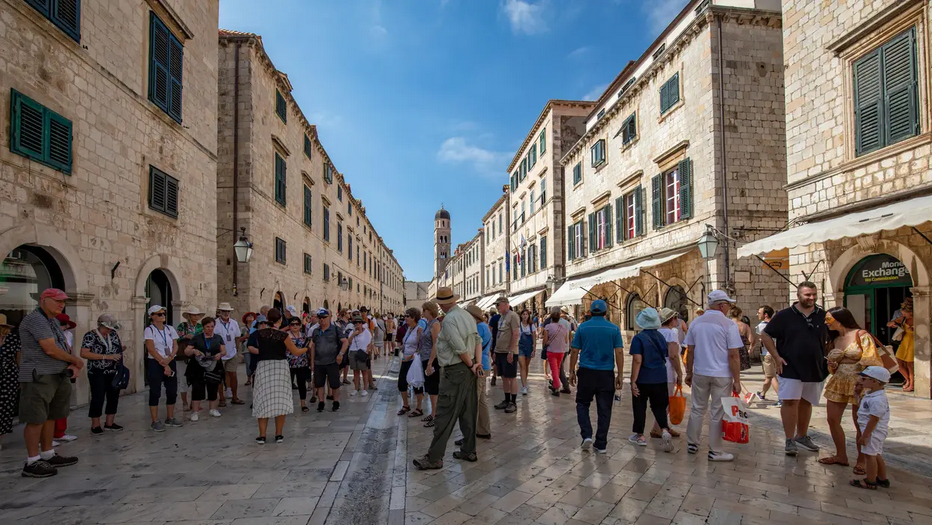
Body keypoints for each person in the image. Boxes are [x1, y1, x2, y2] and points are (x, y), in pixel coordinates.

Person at [412, 288, 483, 469]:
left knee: (444, 414)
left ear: (442, 304)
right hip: (470, 368)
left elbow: (459, 348)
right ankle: (469, 450)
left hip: (456, 370)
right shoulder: (467, 316)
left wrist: (469, 364)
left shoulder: (450, 320)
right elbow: (477, 341)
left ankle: (434, 457)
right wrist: (477, 364)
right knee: (468, 411)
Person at [18, 288, 84, 477]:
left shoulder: (53, 321)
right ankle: (32, 461)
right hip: (39, 374)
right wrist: (76, 361)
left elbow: (63, 345)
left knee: (51, 415)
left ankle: (47, 453)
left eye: (63, 301)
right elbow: (50, 349)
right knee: (35, 417)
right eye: (57, 301)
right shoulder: (35, 320)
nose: (61, 304)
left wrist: (72, 364)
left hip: (57, 373)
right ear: (43, 300)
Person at [761, 281, 828, 457]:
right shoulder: (784, 315)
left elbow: (834, 336)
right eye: (808, 295)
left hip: (815, 367)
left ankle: (802, 435)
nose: (812, 298)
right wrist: (776, 357)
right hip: (789, 366)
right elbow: (765, 334)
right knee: (790, 401)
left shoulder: (823, 315)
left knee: (806, 402)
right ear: (798, 296)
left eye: (814, 294)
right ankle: (789, 439)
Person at [820, 307, 882, 473]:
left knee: (860, 421)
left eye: (828, 319)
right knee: (832, 419)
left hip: (859, 382)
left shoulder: (861, 335)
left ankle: (862, 459)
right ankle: (841, 455)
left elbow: (871, 360)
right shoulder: (834, 338)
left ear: (840, 319)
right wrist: (833, 365)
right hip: (839, 380)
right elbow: (832, 366)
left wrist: (848, 360)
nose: (826, 322)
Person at [684, 291, 744, 462]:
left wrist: (689, 372)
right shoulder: (728, 325)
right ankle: (715, 451)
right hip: (721, 374)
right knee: (717, 412)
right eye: (728, 305)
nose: (728, 308)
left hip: (701, 372)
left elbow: (691, 350)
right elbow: (733, 355)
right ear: (721, 305)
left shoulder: (696, 323)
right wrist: (737, 380)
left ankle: (692, 443)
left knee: (697, 408)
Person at [568, 300, 624, 454]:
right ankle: (601, 443)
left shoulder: (583, 328)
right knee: (605, 409)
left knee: (582, 403)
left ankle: (586, 434)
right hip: (606, 373)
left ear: (590, 312)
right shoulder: (614, 329)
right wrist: (619, 373)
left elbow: (574, 350)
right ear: (606, 313)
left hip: (586, 371)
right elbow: (619, 351)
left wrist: (571, 371)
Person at [247, 308, 306, 444]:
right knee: (280, 399)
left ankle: (262, 435)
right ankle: (278, 434)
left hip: (263, 366)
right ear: (280, 320)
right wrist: (307, 348)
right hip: (279, 367)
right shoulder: (283, 336)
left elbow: (252, 347)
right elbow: (296, 352)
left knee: (263, 399)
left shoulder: (259, 334)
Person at [628, 308, 675, 452]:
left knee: (640, 406)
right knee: (659, 406)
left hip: (644, 378)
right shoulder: (661, 337)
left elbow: (637, 360)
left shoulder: (638, 338)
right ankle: (665, 429)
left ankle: (640, 435)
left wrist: (633, 380)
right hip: (660, 377)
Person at [80, 314, 125, 434]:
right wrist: (106, 356)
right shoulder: (90, 335)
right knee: (98, 397)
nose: (109, 330)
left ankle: (110, 423)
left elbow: (117, 347)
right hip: (97, 371)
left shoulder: (113, 334)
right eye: (107, 328)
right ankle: (95, 425)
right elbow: (84, 353)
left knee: (113, 396)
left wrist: (121, 349)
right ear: (100, 325)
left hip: (113, 370)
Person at [851, 366, 891, 490]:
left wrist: (865, 435)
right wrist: (857, 394)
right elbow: (864, 408)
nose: (860, 380)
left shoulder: (878, 400)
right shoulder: (871, 395)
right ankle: (882, 478)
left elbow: (874, 419)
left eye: (864, 378)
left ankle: (871, 480)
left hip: (873, 432)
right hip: (872, 431)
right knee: (876, 453)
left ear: (875, 382)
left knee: (869, 455)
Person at [144, 305, 182, 432]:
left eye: (163, 313)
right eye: (159, 314)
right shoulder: (149, 330)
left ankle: (170, 417)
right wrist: (164, 363)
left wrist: (170, 358)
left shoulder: (170, 329)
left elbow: (175, 345)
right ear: (152, 316)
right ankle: (154, 420)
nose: (163, 316)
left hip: (170, 360)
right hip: (156, 362)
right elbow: (150, 348)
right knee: (155, 391)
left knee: (172, 390)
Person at [184, 316, 225, 421]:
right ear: (203, 327)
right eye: (207, 327)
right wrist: (193, 351)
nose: (210, 329)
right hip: (198, 366)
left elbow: (224, 351)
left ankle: (213, 409)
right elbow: (187, 351)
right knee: (197, 388)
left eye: (212, 326)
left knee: (213, 386)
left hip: (214, 365)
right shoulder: (196, 338)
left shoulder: (218, 338)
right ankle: (195, 412)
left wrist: (220, 354)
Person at [652, 308, 684, 439]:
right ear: (672, 320)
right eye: (676, 318)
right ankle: (657, 428)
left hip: (656, 369)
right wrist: (680, 373)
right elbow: (673, 355)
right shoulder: (671, 334)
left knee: (661, 400)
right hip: (667, 370)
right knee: (666, 401)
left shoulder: (657, 332)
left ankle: (663, 426)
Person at [309, 308, 348, 412]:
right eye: (320, 318)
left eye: (324, 318)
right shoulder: (316, 331)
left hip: (332, 361)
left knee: (334, 383)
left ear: (329, 318)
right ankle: (321, 402)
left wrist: (340, 354)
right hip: (318, 362)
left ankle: (335, 402)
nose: (322, 320)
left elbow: (345, 342)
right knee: (319, 384)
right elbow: (312, 346)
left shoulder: (335, 329)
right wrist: (312, 362)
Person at [467, 304, 492, 439]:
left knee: (474, 400)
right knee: (481, 400)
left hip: (479, 365)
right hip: (485, 364)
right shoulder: (485, 327)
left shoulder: (478, 328)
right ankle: (483, 429)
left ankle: (470, 433)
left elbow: (472, 346)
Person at [52, 313, 77, 444]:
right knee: (48, 404)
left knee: (62, 402)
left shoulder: (68, 335)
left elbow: (70, 350)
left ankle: (60, 432)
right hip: (49, 369)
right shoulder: (48, 334)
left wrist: (74, 363)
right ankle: (45, 437)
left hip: (64, 369)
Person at [493, 297, 520, 413]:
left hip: (508, 352)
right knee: (504, 377)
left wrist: (511, 351)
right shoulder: (502, 317)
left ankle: (513, 402)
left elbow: (516, 334)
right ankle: (506, 399)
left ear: (505, 304)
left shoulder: (513, 316)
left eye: (498, 305)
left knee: (511, 377)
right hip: (500, 351)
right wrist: (495, 350)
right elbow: (498, 334)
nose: (497, 307)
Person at [176, 306, 204, 412]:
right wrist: (185, 337)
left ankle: (194, 402)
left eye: (197, 315)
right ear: (189, 315)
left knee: (195, 380)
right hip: (183, 355)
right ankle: (184, 402)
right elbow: (177, 338)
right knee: (183, 380)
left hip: (196, 355)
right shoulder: (182, 326)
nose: (195, 317)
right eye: (193, 315)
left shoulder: (200, 327)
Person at [214, 303, 243, 407]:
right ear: (220, 312)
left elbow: (237, 337)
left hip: (232, 352)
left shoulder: (234, 323)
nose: (226, 313)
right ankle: (221, 398)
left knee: (233, 375)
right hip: (220, 353)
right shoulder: (215, 323)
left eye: (228, 311)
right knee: (220, 377)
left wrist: (237, 350)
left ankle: (235, 397)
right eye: (224, 311)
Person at [397, 307, 424, 417]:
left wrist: (410, 357)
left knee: (416, 383)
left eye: (407, 316)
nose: (405, 318)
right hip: (405, 359)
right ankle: (406, 405)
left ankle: (419, 407)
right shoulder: (409, 329)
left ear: (414, 317)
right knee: (401, 383)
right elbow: (406, 342)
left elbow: (420, 347)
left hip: (413, 360)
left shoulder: (419, 330)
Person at [419, 301, 442, 426]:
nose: (423, 313)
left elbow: (435, 344)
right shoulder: (428, 324)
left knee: (433, 388)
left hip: (431, 359)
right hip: (425, 358)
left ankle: (435, 415)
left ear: (430, 310)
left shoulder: (435, 325)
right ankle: (433, 413)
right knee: (429, 387)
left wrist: (430, 362)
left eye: (424, 310)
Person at [0, 315, 19, 451]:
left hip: (8, 375)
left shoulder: (11, 338)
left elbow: (19, 357)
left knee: (5, 406)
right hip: (9, 374)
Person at [542, 306, 570, 397]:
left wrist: (545, 346)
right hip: (561, 351)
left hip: (552, 351)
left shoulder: (548, 327)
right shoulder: (563, 327)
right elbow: (566, 340)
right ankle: (556, 385)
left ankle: (556, 387)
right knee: (557, 368)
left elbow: (545, 340)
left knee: (554, 369)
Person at [755, 305, 779, 404]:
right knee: (769, 375)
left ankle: (781, 398)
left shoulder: (761, 326)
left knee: (771, 376)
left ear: (765, 315)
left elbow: (758, 339)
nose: (757, 314)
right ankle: (762, 393)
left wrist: (752, 347)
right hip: (776, 353)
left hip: (767, 353)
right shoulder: (777, 324)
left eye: (759, 313)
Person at [891, 298, 914, 392]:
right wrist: (895, 323)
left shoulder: (917, 319)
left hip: (913, 342)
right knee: (897, 362)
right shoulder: (903, 318)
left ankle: (911, 384)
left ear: (911, 312)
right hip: (904, 342)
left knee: (910, 364)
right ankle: (908, 380)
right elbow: (889, 323)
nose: (902, 313)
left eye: (904, 312)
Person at [348, 313, 373, 398]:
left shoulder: (366, 332)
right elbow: (349, 342)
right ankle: (356, 388)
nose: (357, 324)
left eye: (359, 322)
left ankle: (365, 389)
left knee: (364, 371)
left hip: (362, 353)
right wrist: (353, 334)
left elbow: (370, 342)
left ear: (362, 323)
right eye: (355, 323)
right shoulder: (352, 331)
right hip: (353, 352)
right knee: (355, 372)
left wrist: (368, 350)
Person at [517, 310, 536, 395]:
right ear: (521, 316)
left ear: (529, 316)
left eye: (526, 314)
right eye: (523, 314)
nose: (525, 316)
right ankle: (524, 386)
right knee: (522, 366)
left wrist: (534, 348)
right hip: (520, 347)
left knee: (526, 366)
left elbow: (534, 337)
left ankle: (525, 381)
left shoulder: (532, 325)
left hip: (529, 347)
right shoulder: (518, 325)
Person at [241, 312, 257, 386]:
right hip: (246, 348)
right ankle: (248, 379)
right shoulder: (243, 328)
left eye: (252, 316)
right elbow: (239, 339)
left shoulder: (256, 327)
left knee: (255, 362)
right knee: (248, 363)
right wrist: (246, 336)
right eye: (248, 316)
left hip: (255, 347)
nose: (250, 317)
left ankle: (255, 377)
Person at [488, 308, 501, 387]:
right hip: (499, 342)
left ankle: (494, 376)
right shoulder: (496, 318)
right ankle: (495, 376)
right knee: (497, 360)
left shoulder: (494, 318)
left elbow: (489, 329)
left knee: (495, 361)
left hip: (496, 342)